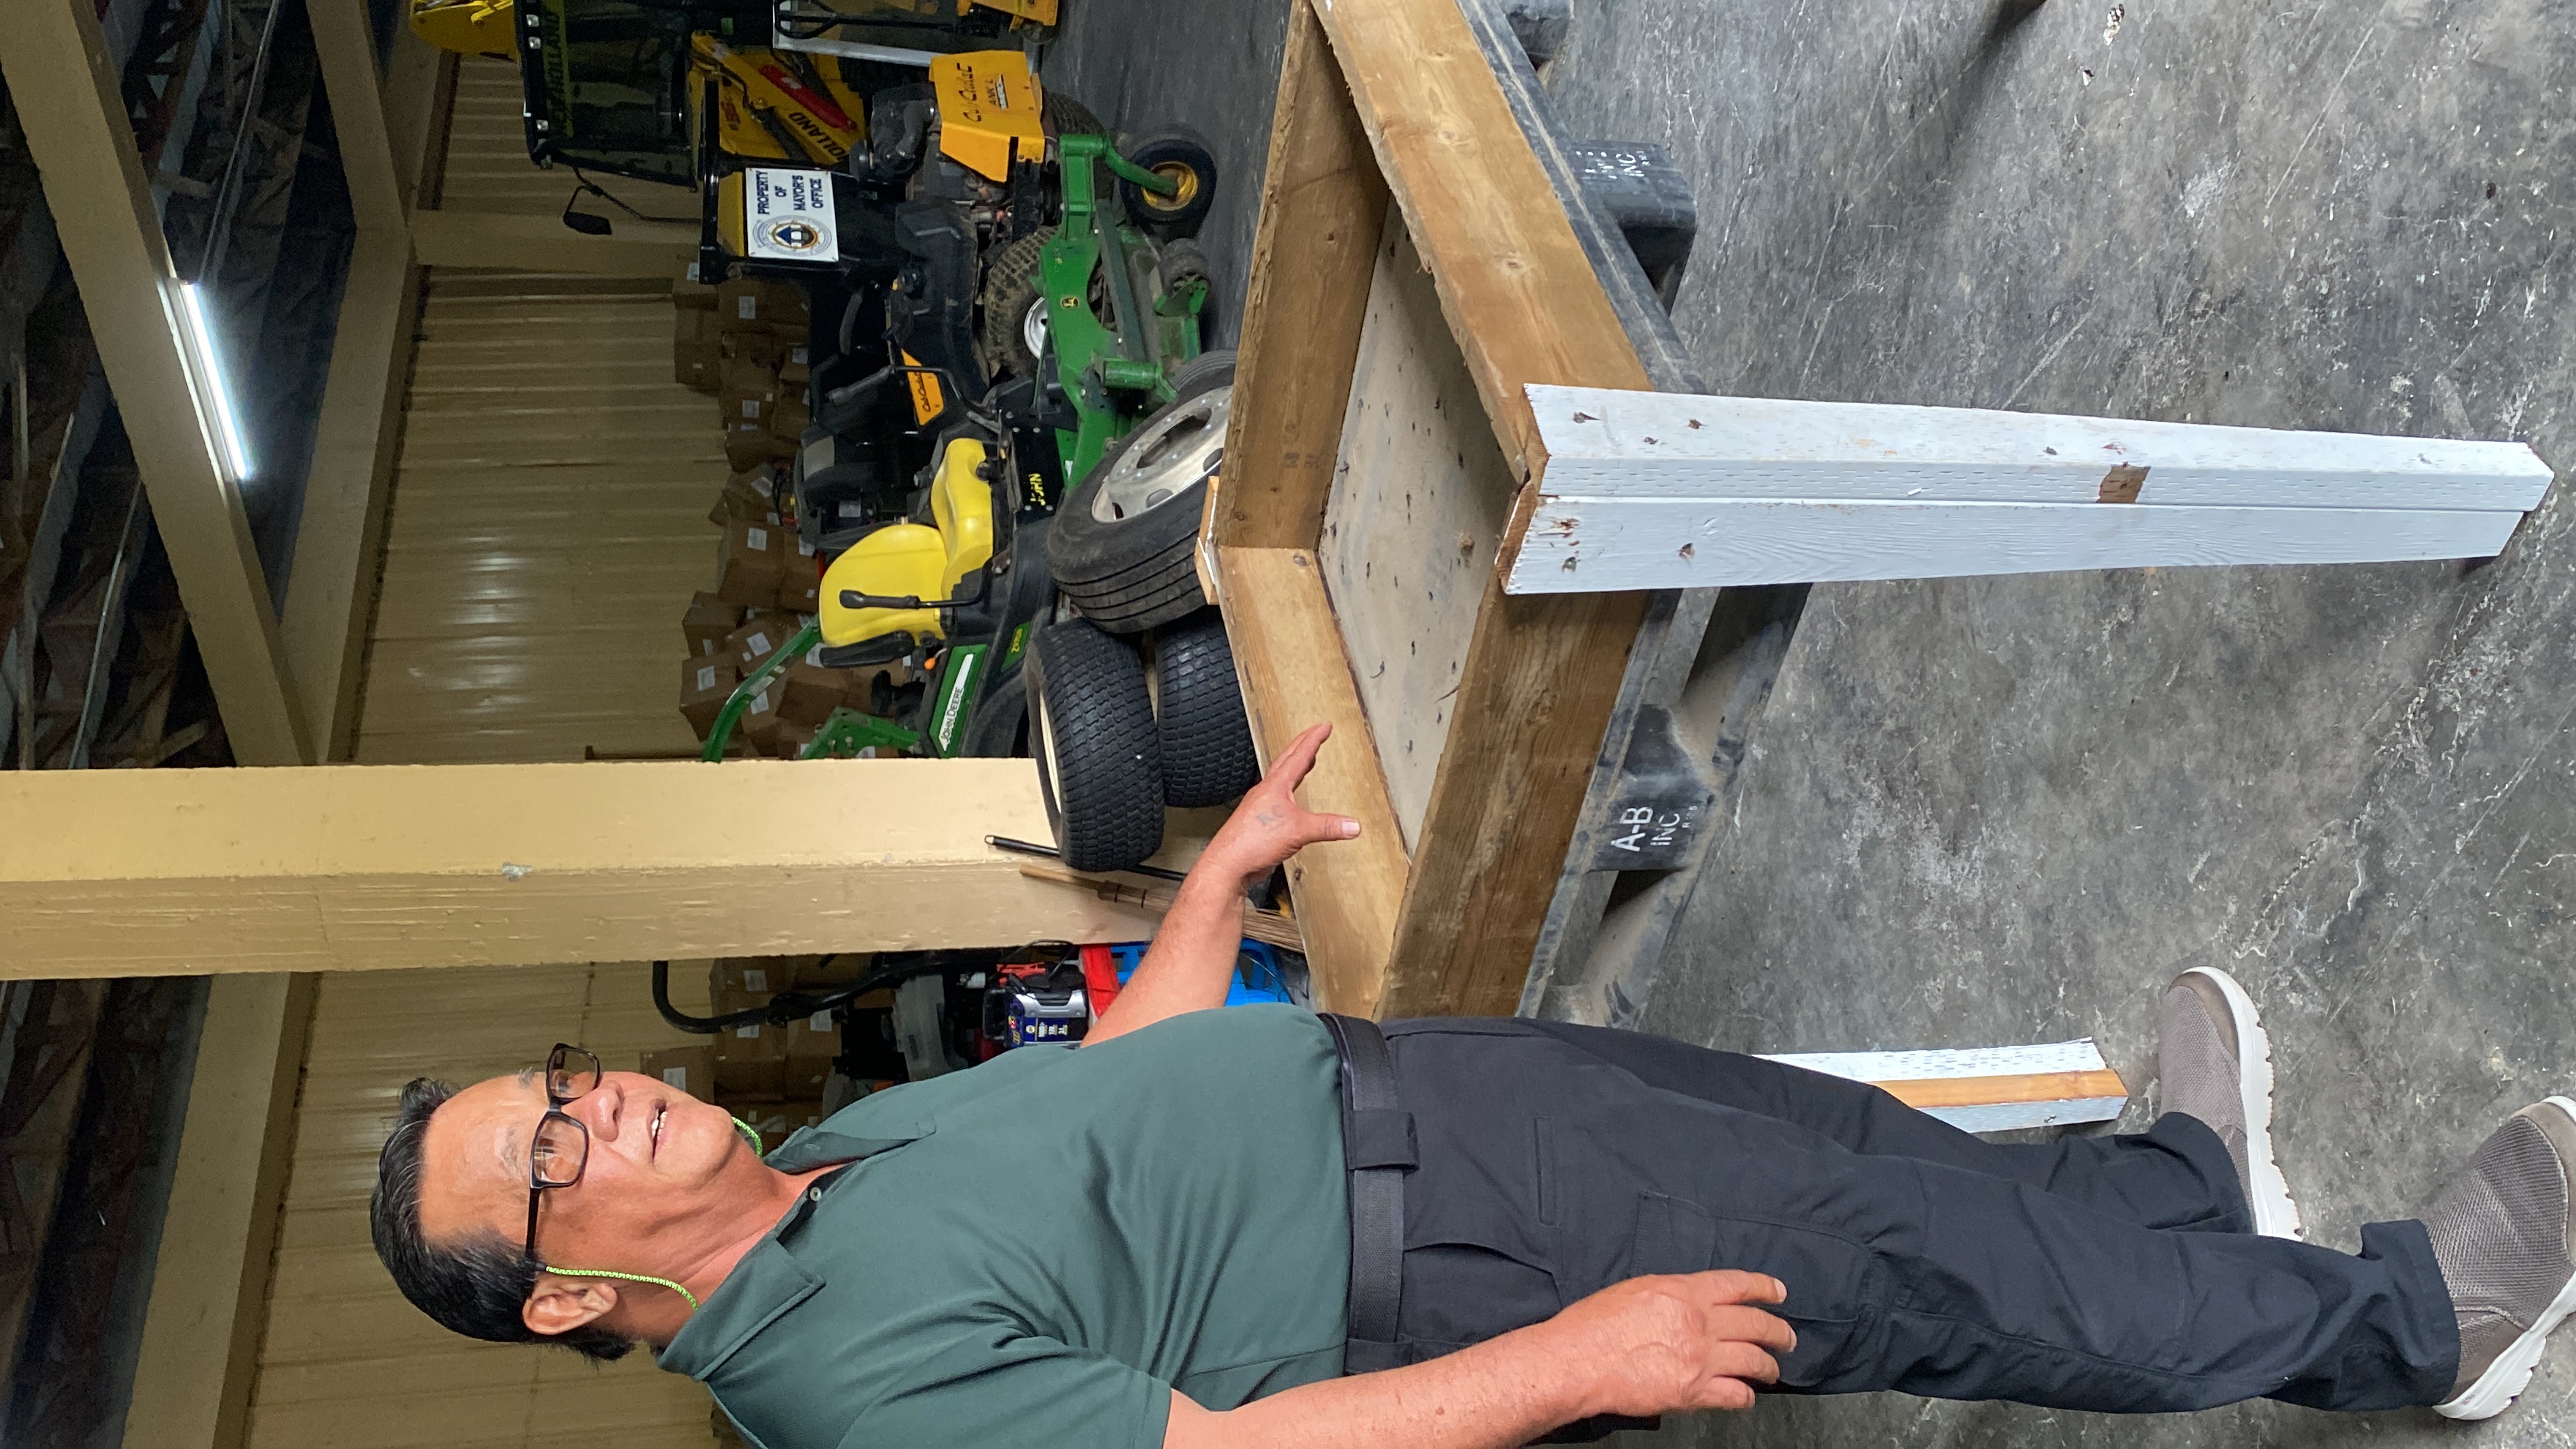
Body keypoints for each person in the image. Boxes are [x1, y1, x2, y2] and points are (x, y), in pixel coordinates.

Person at [372, 723, 2576, 1448]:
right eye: (550, 1148)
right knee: (1907, 1267)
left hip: (1422, 1098)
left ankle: (2174, 1195)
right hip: (1470, 1257)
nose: (605, 1099)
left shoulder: (816, 1167)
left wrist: (1213, 886)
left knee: (1847, 1148)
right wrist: (1574, 1364)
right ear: (562, 1292)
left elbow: (1108, 1103)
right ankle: (2414, 1327)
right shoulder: (836, 1389)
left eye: (561, 1077)